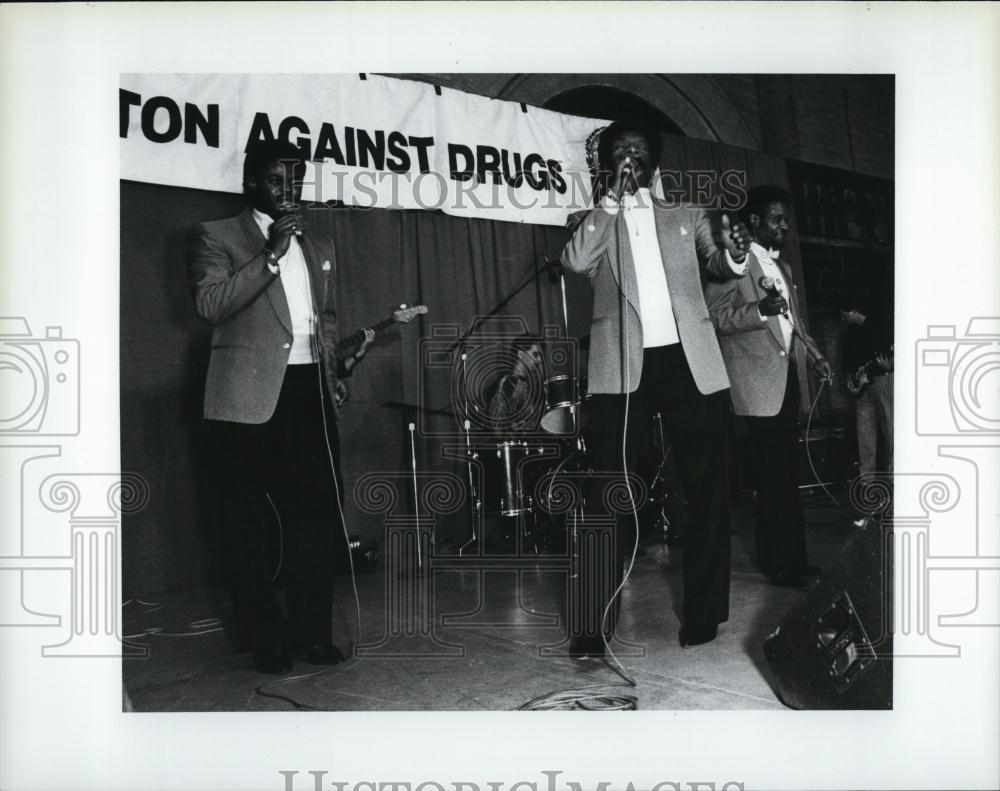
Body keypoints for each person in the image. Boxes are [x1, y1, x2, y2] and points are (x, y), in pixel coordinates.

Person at [560, 120, 749, 653]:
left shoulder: (686, 215)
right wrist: (611, 205)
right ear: (608, 165)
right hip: (623, 365)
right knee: (606, 492)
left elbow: (719, 261)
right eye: (620, 150)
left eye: (639, 149)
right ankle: (591, 624)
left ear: (653, 165)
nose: (629, 155)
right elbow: (576, 261)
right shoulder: (590, 219)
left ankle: (705, 613)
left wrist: (735, 253)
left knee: (707, 488)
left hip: (690, 364)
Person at [187, 140, 371, 674]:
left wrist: (334, 368)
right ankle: (264, 639)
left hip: (307, 391)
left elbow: (324, 316)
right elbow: (210, 304)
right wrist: (271, 253)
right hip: (246, 398)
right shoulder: (215, 236)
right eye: (277, 180)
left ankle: (311, 634)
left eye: (296, 179)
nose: (289, 190)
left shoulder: (318, 242)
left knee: (313, 522)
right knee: (248, 527)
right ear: (252, 184)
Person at [704, 185, 831, 589]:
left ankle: (795, 561)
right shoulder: (733, 264)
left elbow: (794, 322)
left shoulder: (785, 269)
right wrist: (759, 309)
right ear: (754, 221)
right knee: (772, 478)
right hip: (756, 385)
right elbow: (717, 317)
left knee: (787, 476)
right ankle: (779, 565)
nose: (784, 226)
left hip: (787, 379)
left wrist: (815, 355)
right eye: (777, 218)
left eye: (786, 219)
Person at [841, 301, 893, 480]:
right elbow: (846, 361)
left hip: (882, 381)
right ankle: (867, 480)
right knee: (864, 434)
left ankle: (894, 475)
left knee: (890, 430)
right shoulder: (849, 334)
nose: (844, 319)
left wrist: (890, 364)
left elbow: (894, 355)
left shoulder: (882, 325)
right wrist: (849, 378)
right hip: (862, 389)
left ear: (854, 311)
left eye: (845, 314)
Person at [486, 339, 545, 433]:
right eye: (535, 354)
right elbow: (497, 426)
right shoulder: (507, 383)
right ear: (521, 354)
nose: (539, 360)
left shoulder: (526, 383)